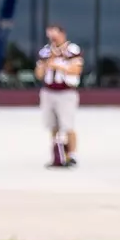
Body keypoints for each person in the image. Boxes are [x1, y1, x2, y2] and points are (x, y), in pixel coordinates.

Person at [36, 23, 84, 169]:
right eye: (50, 35)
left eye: (55, 34)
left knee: (67, 124)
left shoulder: (72, 50)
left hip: (66, 92)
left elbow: (76, 70)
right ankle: (57, 154)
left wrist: (57, 65)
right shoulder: (45, 51)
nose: (52, 38)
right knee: (53, 125)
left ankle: (72, 155)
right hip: (48, 92)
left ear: (62, 34)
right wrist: (45, 64)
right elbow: (38, 74)